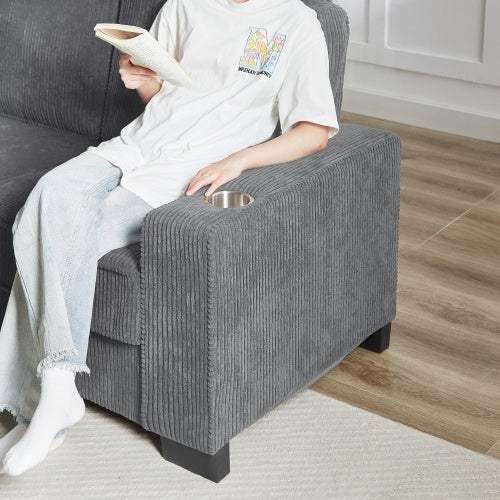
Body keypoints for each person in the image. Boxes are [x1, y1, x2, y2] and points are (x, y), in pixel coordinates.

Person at [0, 0, 339, 476]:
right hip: (133, 146)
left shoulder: (296, 22)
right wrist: (141, 80)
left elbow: (314, 131)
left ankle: (42, 404)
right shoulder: (184, 4)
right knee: (46, 198)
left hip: (185, 173)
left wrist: (239, 160)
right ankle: (59, 393)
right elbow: (166, 96)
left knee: (45, 232)